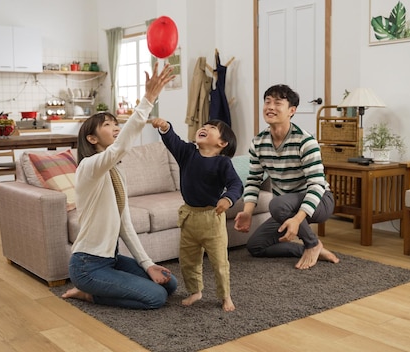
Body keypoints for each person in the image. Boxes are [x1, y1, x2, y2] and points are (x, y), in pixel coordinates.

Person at [61, 62, 178, 309]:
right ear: (91, 139)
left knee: (169, 284)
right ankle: (88, 293)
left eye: (116, 124)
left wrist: (148, 264)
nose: (115, 128)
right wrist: (148, 98)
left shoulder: (116, 170)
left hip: (110, 259)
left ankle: (104, 286)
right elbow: (122, 146)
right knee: (155, 298)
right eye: (107, 125)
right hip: (87, 265)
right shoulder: (89, 168)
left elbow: (124, 224)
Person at [234, 84, 339, 270]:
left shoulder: (305, 141)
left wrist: (297, 220)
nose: (270, 107)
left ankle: (312, 243)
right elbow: (254, 180)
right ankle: (312, 249)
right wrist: (247, 212)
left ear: (292, 110)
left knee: (277, 204)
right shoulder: (258, 142)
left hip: (319, 200)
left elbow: (316, 185)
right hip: (285, 207)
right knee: (256, 246)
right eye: (267, 102)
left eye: (277, 103)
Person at [150, 117, 243, 311]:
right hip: (189, 217)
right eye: (204, 126)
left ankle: (225, 295)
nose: (204, 128)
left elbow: (236, 185)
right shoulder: (187, 153)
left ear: (222, 143)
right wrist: (166, 127)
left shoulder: (222, 163)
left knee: (219, 262)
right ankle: (195, 291)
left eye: (211, 128)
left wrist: (227, 199)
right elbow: (172, 140)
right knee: (188, 260)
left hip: (212, 219)